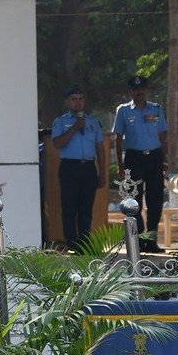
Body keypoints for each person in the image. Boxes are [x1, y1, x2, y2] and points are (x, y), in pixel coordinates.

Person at [112, 75, 169, 253]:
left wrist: (165, 159)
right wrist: (120, 165)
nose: (139, 92)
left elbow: (163, 136)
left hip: (154, 157)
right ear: (130, 92)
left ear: (147, 90)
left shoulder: (156, 109)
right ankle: (139, 239)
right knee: (133, 200)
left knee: (155, 199)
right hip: (133, 157)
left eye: (142, 89)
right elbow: (118, 139)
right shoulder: (123, 110)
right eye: (136, 89)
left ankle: (152, 240)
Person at [51, 85, 106, 252]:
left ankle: (84, 242)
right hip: (70, 167)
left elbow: (100, 148)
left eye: (80, 99)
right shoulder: (61, 121)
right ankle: (71, 241)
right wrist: (75, 127)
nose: (77, 103)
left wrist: (102, 172)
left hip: (88, 167)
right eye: (74, 99)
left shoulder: (92, 122)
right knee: (69, 207)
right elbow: (57, 143)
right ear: (67, 102)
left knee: (86, 207)